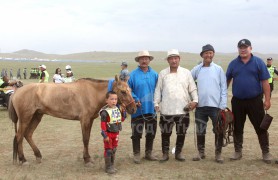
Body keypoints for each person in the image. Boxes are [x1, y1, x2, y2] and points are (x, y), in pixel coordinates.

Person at [226, 39, 271, 164]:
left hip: (255, 101)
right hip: (238, 101)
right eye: (240, 47)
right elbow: (227, 81)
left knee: (261, 126)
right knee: (237, 127)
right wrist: (221, 97)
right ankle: (237, 151)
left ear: (250, 48)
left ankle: (266, 152)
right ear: (238, 49)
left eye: (245, 47)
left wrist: (267, 99)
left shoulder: (258, 62)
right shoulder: (233, 64)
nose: (243, 49)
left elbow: (265, 82)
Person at [154, 49, 198, 162]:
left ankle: (178, 153)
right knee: (165, 133)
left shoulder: (186, 73)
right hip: (166, 110)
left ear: (179, 59)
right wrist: (156, 103)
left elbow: (192, 88)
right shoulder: (163, 73)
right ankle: (165, 154)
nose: (174, 61)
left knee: (181, 132)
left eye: (176, 58)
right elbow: (158, 90)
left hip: (183, 109)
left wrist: (195, 101)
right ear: (168, 60)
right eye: (171, 58)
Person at [191, 44, 227, 163]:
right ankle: (201, 152)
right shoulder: (197, 69)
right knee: (200, 129)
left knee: (219, 130)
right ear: (202, 55)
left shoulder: (218, 69)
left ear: (213, 54)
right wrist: (193, 99)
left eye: (210, 53)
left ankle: (218, 154)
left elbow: (223, 88)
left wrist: (222, 105)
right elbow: (189, 82)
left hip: (216, 106)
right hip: (200, 106)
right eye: (206, 53)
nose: (208, 55)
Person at [128, 50, 158, 163]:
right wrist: (135, 99)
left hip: (152, 108)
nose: (144, 60)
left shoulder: (155, 74)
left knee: (151, 132)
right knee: (136, 133)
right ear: (138, 60)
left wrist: (157, 102)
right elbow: (128, 90)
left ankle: (148, 153)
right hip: (137, 109)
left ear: (149, 60)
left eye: (146, 58)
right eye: (142, 58)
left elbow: (158, 90)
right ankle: (136, 154)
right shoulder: (132, 74)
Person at [100, 91, 126, 174]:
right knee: (108, 150)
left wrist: (124, 111)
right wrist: (105, 135)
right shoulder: (104, 112)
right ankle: (108, 167)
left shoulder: (117, 109)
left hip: (116, 133)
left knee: (114, 149)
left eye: (115, 99)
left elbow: (121, 119)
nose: (114, 101)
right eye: (111, 99)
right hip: (108, 134)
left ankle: (112, 165)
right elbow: (103, 124)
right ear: (106, 100)